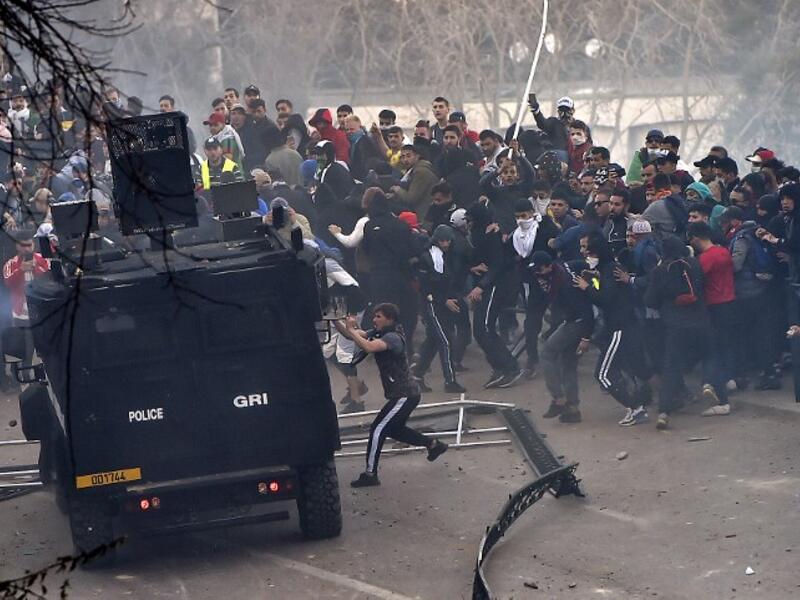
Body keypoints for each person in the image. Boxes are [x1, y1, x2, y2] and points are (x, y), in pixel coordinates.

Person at [337, 303, 448, 488]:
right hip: (403, 394)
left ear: (390, 319)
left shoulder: (393, 337)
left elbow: (369, 347)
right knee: (395, 430)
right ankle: (434, 445)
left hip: (404, 394)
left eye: (378, 316)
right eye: (374, 316)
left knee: (378, 429)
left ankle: (370, 474)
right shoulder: (380, 332)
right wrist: (335, 321)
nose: (374, 319)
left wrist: (351, 328)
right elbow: (353, 336)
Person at [574, 231, 652, 426]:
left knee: (603, 374)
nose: (583, 253)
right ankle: (641, 403)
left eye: (587, 249)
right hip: (619, 326)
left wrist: (587, 287)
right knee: (628, 368)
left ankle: (636, 408)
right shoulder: (606, 269)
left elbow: (606, 298)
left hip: (619, 327)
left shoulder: (610, 269)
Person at [529, 251, 594, 423]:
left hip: (577, 323)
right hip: (573, 321)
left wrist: (586, 338)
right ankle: (573, 409)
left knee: (547, 354)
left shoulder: (564, 284)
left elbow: (586, 310)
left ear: (549, 266)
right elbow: (582, 264)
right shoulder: (562, 267)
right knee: (568, 363)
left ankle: (558, 398)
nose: (537, 273)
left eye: (540, 270)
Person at [686, 221, 735, 415]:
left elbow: (694, 280)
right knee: (725, 345)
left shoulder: (706, 259)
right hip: (730, 302)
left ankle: (713, 386)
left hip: (713, 305)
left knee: (711, 348)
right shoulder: (724, 252)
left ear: (696, 238)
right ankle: (727, 379)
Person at [412, 225, 466, 393]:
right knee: (445, 340)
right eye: (442, 240)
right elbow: (426, 288)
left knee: (433, 341)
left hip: (443, 303)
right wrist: (444, 300)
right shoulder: (427, 258)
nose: (445, 243)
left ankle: (417, 375)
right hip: (432, 304)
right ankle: (450, 381)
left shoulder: (448, 256)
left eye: (448, 240)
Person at [3, 231, 50, 364]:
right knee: (25, 351)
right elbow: (8, 282)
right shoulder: (11, 264)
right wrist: (20, 271)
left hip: (41, 311)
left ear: (33, 244)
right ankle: (25, 374)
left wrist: (36, 269)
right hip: (21, 312)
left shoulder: (42, 259)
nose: (27, 248)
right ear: (17, 246)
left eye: (29, 245)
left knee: (45, 348)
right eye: (23, 245)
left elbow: (50, 280)